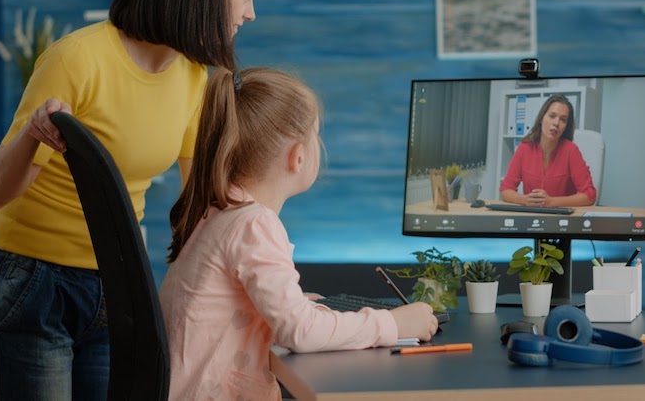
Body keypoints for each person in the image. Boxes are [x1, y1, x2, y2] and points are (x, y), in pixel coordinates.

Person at [0, 0, 260, 399]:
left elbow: (199, 207)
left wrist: (265, 285)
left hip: (117, 285)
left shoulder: (193, 76)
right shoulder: (77, 59)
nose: (250, 13)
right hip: (30, 285)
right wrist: (31, 137)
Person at [160, 68, 439, 400]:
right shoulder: (253, 224)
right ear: (298, 155)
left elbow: (233, 301)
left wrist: (290, 306)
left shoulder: (218, 211)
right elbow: (299, 332)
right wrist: (393, 325)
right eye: (316, 135)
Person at [499, 94, 597, 207]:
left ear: (565, 126)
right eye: (552, 116)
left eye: (563, 120)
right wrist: (524, 200)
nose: (556, 123)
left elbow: (589, 195)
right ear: (541, 118)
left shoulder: (571, 151)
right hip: (532, 217)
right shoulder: (525, 148)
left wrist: (551, 202)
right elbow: (506, 189)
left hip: (562, 219)